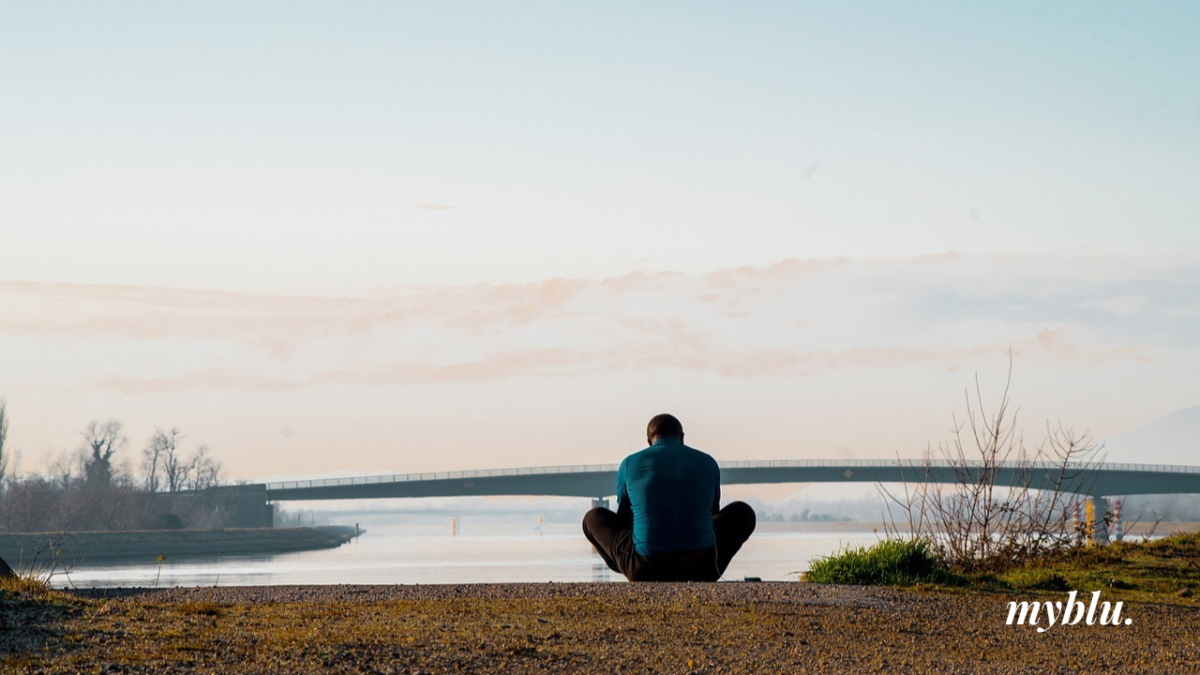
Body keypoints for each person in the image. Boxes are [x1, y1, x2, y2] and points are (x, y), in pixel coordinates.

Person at [582, 414, 756, 582]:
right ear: (682, 437)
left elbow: (625, 519)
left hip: (643, 570)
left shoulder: (629, 464)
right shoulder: (708, 462)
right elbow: (712, 515)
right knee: (743, 512)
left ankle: (627, 566)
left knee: (592, 518)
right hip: (703, 569)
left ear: (649, 441)